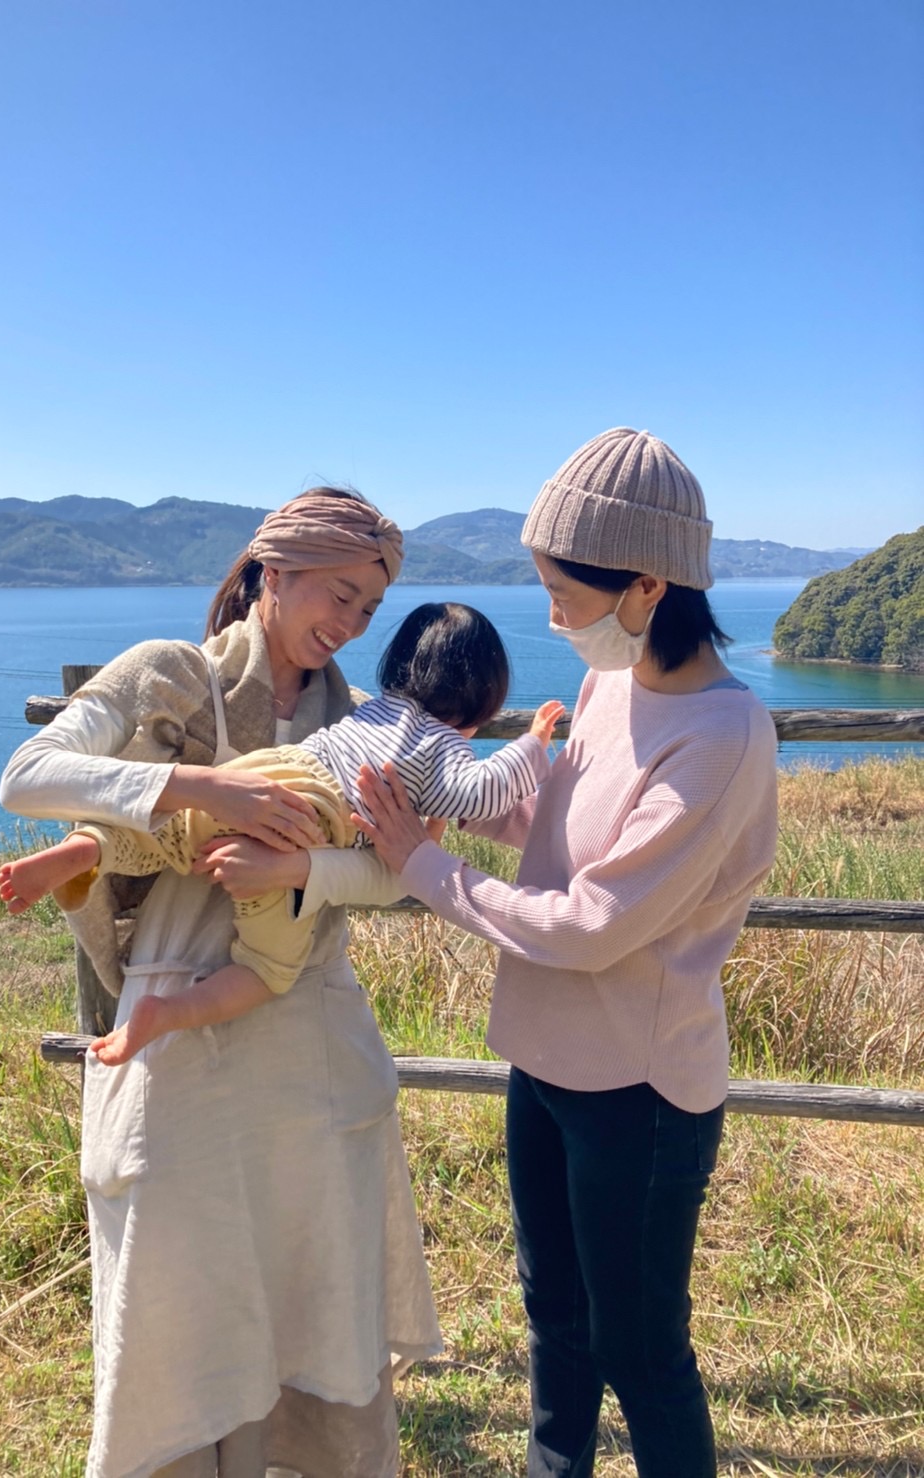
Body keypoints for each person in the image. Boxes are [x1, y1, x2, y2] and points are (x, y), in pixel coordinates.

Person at [351, 429, 779, 1478]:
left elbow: (594, 923)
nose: (552, 617)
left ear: (647, 586)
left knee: (640, 1348)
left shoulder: (723, 737)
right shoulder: (609, 685)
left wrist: (423, 867)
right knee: (555, 1314)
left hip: (638, 1087)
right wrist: (439, 797)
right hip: (545, 1060)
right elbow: (551, 826)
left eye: (561, 594)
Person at [0, 487, 443, 1478]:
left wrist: (302, 866)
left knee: (309, 1298)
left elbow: (396, 871)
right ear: (271, 570)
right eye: (338, 594)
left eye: (369, 608)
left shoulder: (359, 724)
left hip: (309, 1038)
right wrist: (201, 787)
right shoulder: (171, 673)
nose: (350, 623)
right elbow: (27, 773)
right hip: (177, 1049)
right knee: (179, 1303)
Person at [0, 601, 563, 1067]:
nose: (351, 617)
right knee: (267, 970)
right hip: (303, 822)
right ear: (483, 698)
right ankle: (165, 1013)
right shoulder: (442, 748)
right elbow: (480, 793)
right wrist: (533, 744)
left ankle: (87, 846)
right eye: (342, 596)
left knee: (163, 835)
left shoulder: (374, 711)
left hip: (259, 776)